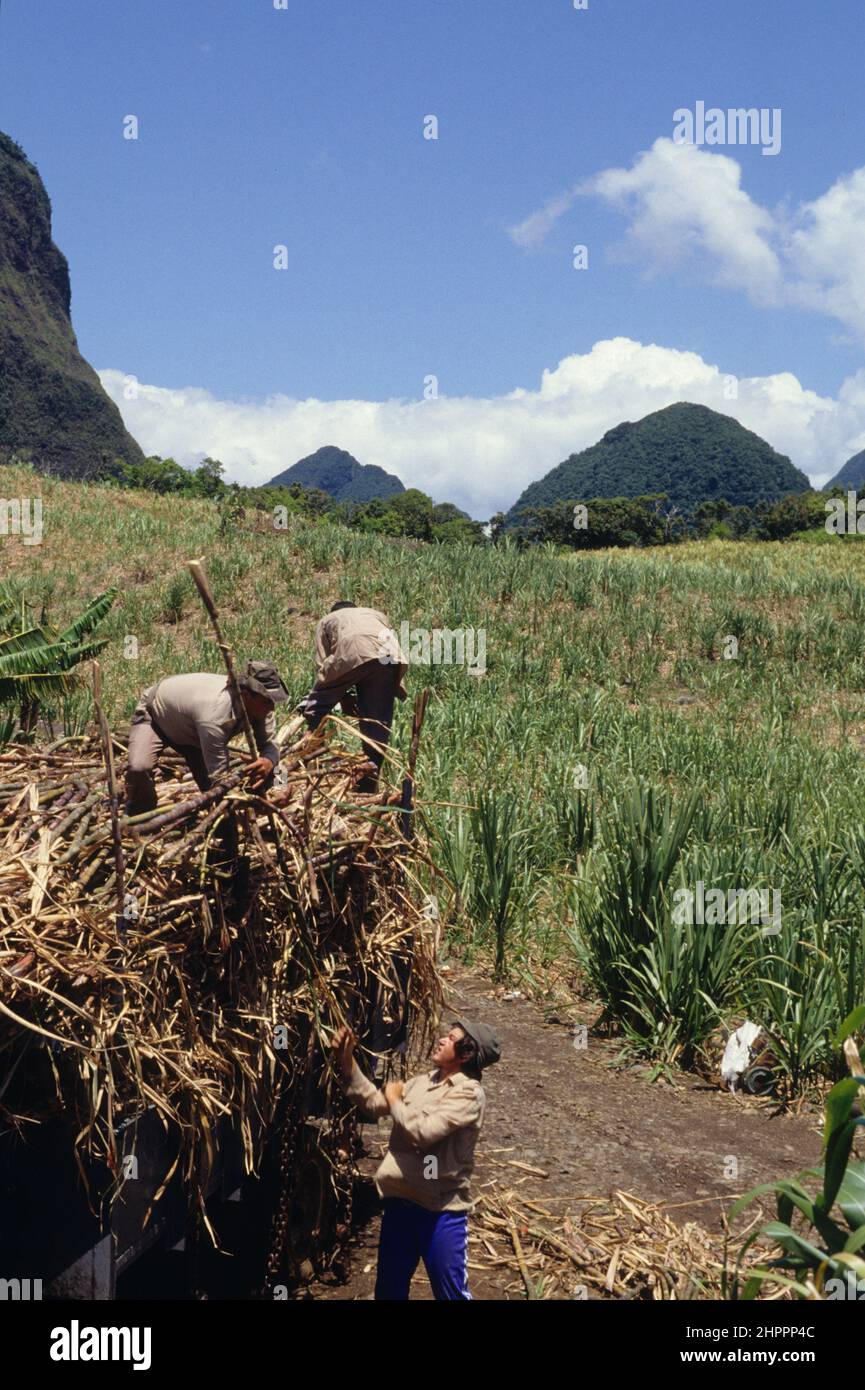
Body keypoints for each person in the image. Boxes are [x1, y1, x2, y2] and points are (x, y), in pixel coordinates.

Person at [332, 1017, 501, 1300]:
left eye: (451, 1038)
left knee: (450, 1293)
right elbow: (374, 1104)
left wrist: (396, 1100)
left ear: (466, 1053)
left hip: (440, 1212)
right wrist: (348, 1062)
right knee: (389, 1290)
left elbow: (423, 1132)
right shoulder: (422, 1083)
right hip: (401, 1203)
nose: (442, 1040)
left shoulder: (469, 1094)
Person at [124, 660, 289, 817]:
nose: (272, 707)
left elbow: (272, 749)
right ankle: (141, 816)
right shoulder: (215, 713)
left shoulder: (262, 707)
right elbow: (221, 780)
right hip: (157, 716)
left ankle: (223, 835)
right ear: (246, 695)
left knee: (212, 790)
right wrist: (254, 802)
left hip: (195, 733)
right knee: (139, 767)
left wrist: (277, 778)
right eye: (267, 701)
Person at [298, 602, 407, 791]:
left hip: (352, 652)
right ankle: (369, 779)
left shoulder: (327, 620)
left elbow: (324, 665)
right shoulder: (377, 613)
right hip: (388, 657)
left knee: (317, 707)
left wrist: (339, 695)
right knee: (377, 722)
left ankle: (312, 759)